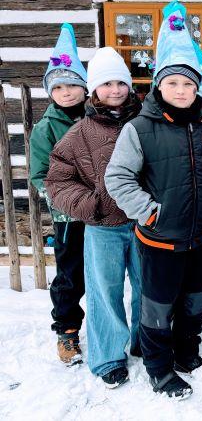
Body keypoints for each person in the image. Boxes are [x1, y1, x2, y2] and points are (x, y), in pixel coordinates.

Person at [106, 0, 202, 399]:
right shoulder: (139, 129)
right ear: (159, 85)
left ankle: (187, 354)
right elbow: (118, 178)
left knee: (195, 301)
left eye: (188, 84)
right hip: (161, 237)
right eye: (173, 83)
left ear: (197, 87)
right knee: (159, 306)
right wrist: (150, 212)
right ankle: (159, 368)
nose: (181, 90)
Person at [46, 47, 142, 388]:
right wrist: (91, 204)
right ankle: (108, 357)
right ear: (94, 89)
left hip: (146, 223)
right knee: (104, 293)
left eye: (121, 82)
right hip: (103, 227)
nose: (115, 90)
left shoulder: (146, 122)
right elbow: (57, 181)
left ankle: (146, 343)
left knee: (148, 289)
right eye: (106, 83)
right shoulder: (79, 133)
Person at [30, 23, 88, 366]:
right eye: (59, 87)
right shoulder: (46, 128)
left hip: (103, 212)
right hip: (70, 217)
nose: (66, 93)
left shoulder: (97, 119)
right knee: (70, 274)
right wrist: (67, 202)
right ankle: (67, 330)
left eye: (73, 85)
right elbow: (40, 176)